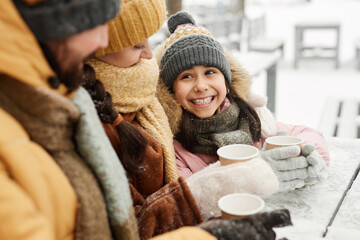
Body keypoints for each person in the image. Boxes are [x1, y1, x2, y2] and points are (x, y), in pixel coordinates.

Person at [0, 1, 281, 240]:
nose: (149, 54)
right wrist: (201, 206)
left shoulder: (138, 101)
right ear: (56, 21)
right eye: (135, 44)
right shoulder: (72, 116)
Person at [82, 0, 279, 238]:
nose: (148, 54)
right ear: (98, 46)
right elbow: (127, 226)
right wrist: (203, 193)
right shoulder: (102, 124)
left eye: (149, 40)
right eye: (136, 44)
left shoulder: (144, 102)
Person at [156, 11, 328, 193]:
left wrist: (309, 159)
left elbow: (306, 134)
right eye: (187, 76)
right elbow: (189, 196)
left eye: (210, 72)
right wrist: (256, 173)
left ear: (227, 83)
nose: (201, 86)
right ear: (171, 91)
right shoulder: (171, 145)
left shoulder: (252, 118)